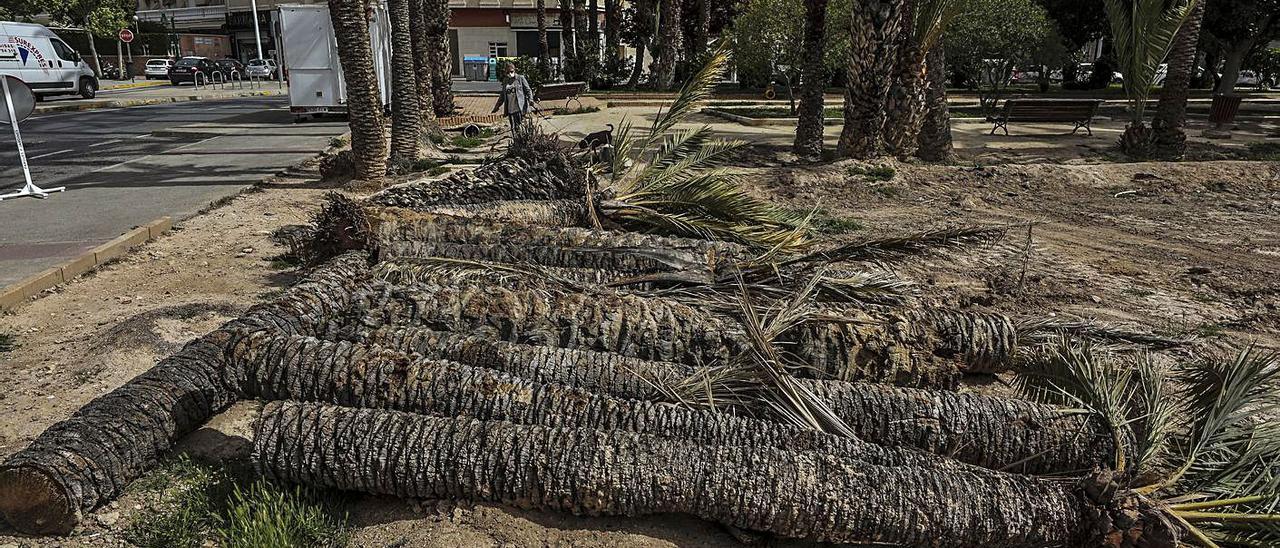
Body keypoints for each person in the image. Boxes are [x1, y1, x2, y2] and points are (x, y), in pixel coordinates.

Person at [492, 62, 535, 132]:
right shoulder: (505, 81)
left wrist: (531, 100)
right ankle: (516, 142)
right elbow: (502, 95)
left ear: (514, 70)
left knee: (522, 128)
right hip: (510, 110)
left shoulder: (520, 78)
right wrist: (497, 106)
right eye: (507, 72)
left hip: (519, 108)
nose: (510, 73)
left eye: (511, 71)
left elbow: (528, 90)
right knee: (514, 129)